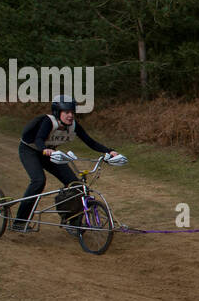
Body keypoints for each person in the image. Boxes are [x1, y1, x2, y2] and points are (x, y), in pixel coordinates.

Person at [12, 95, 119, 233]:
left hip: (50, 153)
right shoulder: (48, 121)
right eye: (67, 112)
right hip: (30, 150)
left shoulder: (73, 126)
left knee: (75, 185)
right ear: (57, 112)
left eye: (72, 112)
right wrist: (44, 149)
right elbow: (39, 139)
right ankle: (20, 221)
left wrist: (109, 151)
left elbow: (90, 142)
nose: (70, 115)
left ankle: (72, 222)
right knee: (38, 181)